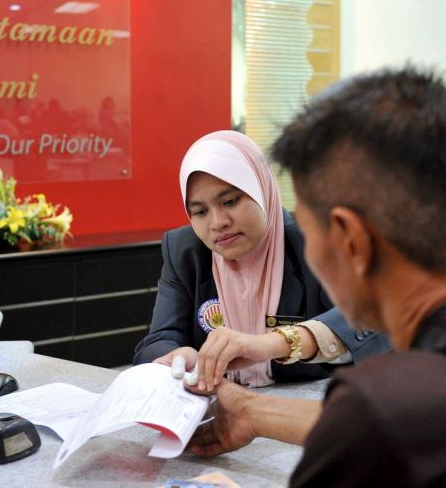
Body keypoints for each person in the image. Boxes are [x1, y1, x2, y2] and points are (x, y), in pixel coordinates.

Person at [186, 66, 446, 486]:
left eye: (309, 227)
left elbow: (382, 423)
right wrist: (253, 411)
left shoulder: (376, 409)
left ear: (352, 240)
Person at [133, 130, 389, 388]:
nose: (218, 223)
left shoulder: (315, 239)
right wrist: (176, 358)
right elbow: (158, 340)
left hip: (304, 412)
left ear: (261, 189)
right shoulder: (185, 251)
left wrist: (274, 343)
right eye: (200, 211)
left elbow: (371, 317)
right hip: (220, 408)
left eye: (231, 201)